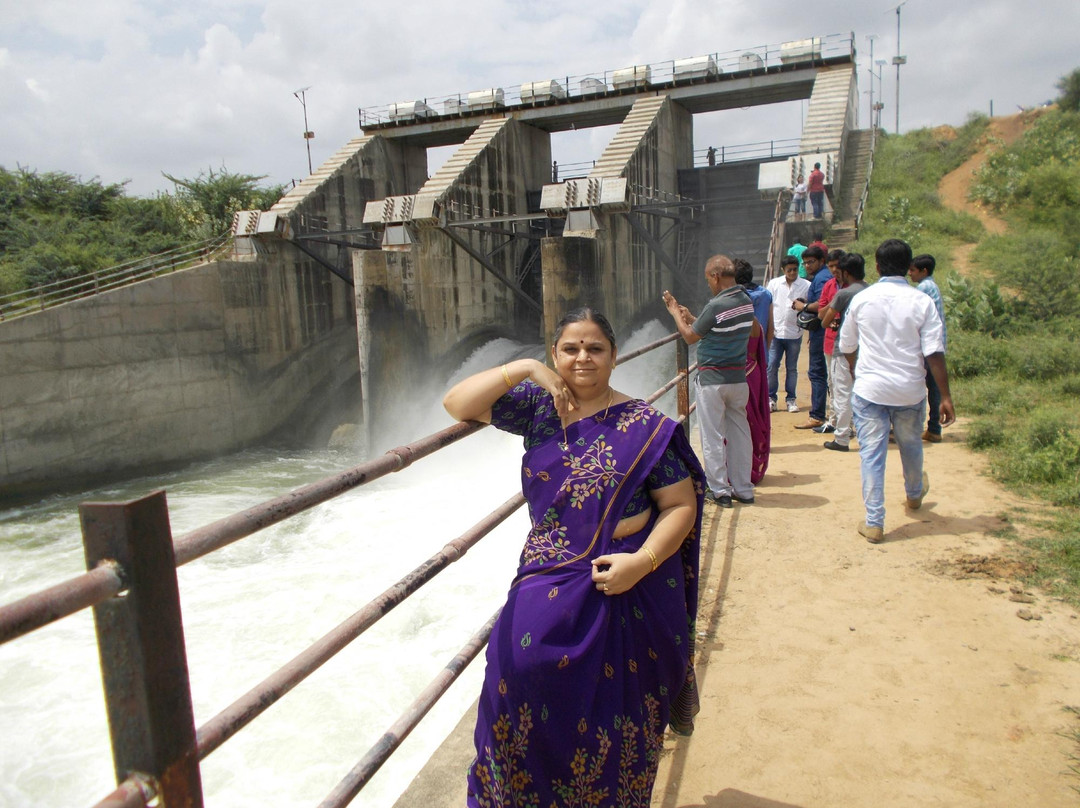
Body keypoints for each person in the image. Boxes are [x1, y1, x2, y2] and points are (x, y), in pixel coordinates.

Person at [443, 308, 705, 807]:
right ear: (555, 356)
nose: (582, 358)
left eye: (595, 348)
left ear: (613, 355)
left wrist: (643, 562)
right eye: (570, 349)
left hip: (625, 578)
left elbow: (679, 505)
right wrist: (522, 368)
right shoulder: (539, 410)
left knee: (617, 713)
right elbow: (456, 403)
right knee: (516, 679)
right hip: (547, 572)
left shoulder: (646, 427)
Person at [839, 239, 956, 543]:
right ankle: (914, 495)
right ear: (908, 267)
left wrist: (856, 368)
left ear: (877, 266)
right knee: (911, 446)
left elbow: (846, 345)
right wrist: (945, 396)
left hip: (870, 390)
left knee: (872, 455)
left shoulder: (863, 300)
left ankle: (874, 522)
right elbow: (934, 351)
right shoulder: (921, 301)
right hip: (910, 390)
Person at [663, 255, 755, 507]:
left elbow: (691, 338)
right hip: (738, 379)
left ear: (715, 276)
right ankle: (744, 489)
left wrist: (675, 313)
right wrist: (693, 317)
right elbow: (713, 327)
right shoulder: (746, 301)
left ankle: (720, 490)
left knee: (713, 435)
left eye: (708, 280)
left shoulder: (716, 305)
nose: (709, 285)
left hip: (713, 380)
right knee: (739, 433)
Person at [819, 253, 868, 451]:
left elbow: (824, 320)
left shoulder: (844, 294)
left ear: (846, 273)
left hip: (843, 349)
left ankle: (841, 437)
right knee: (862, 392)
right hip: (865, 349)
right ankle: (863, 432)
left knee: (842, 394)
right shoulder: (869, 290)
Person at [734, 259, 772, 483]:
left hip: (738, 374)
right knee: (754, 419)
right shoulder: (756, 322)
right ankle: (753, 468)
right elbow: (770, 334)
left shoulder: (734, 324)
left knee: (737, 422)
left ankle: (738, 472)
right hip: (755, 371)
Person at [792, 246, 832, 429]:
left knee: (817, 372)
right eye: (805, 263)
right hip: (819, 332)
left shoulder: (823, 278)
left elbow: (824, 304)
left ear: (821, 261)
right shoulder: (820, 276)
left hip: (823, 333)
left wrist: (804, 306)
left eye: (811, 262)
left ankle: (817, 415)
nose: (807, 266)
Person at [765, 255, 810, 413]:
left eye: (795, 270)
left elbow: (809, 307)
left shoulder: (806, 285)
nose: (792, 273)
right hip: (776, 332)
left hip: (794, 333)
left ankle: (791, 399)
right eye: (789, 270)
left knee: (791, 368)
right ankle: (771, 399)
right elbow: (768, 304)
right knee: (772, 366)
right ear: (783, 270)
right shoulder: (774, 284)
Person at [909, 253, 946, 443]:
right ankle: (933, 427)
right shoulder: (931, 285)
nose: (910, 274)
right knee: (933, 388)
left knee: (926, 387)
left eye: (913, 270)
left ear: (923, 271)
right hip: (935, 344)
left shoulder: (924, 288)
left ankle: (930, 427)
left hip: (927, 346)